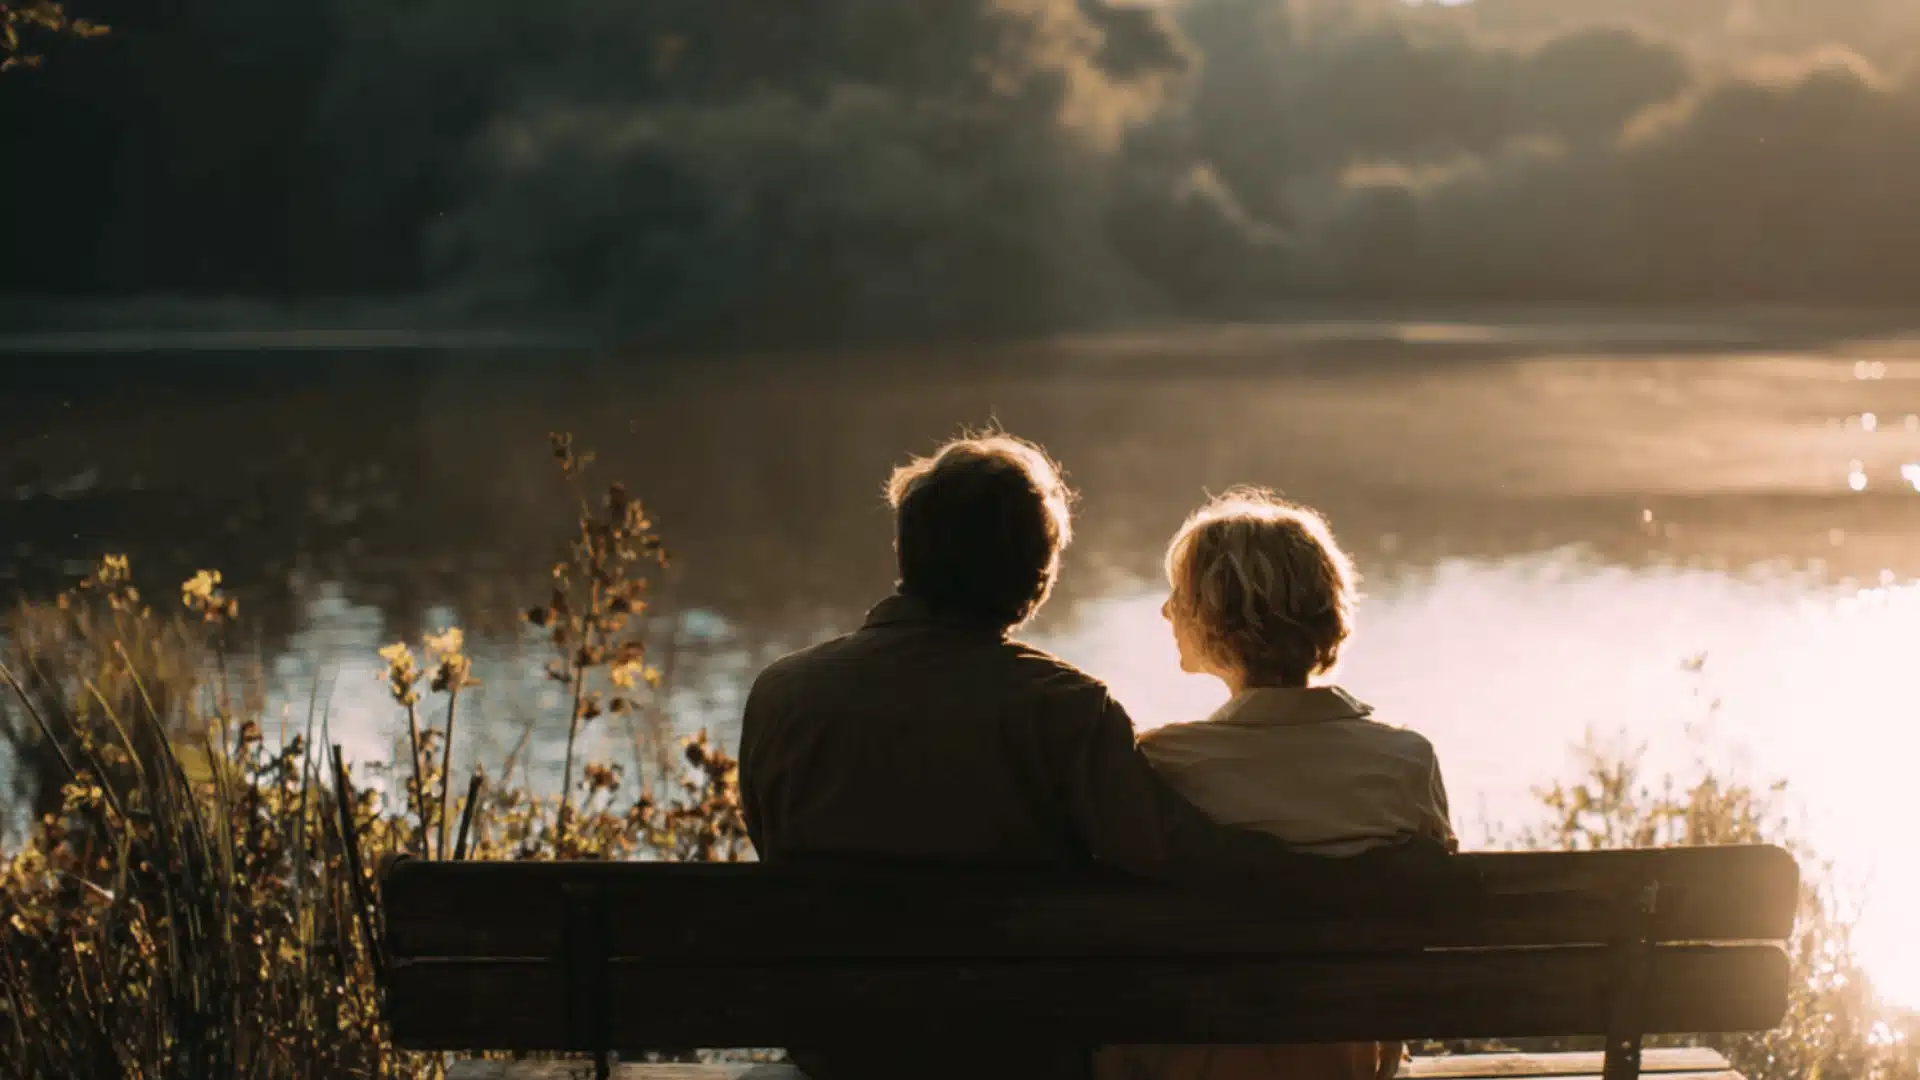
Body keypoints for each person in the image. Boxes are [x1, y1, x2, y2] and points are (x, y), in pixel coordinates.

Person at [739, 434, 1464, 1080]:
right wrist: (1365, 878)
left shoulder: (781, 697)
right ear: (1038, 576)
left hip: (834, 1049)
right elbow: (1191, 860)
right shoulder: (1062, 710)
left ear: (906, 553)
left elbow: (776, 848)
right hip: (1018, 1055)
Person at [1098, 489, 1457, 1080]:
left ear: (1217, 620)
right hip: (1347, 1063)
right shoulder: (1403, 762)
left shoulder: (1162, 763)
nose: (1165, 612)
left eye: (1180, 597)